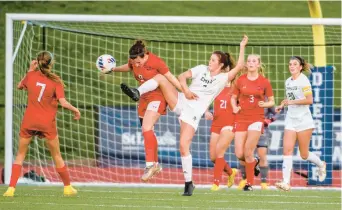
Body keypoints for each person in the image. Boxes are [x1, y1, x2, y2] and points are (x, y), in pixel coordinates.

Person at [120, 35, 248, 196]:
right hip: (181, 101)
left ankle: (189, 183)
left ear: (221, 64)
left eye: (213, 60)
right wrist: (186, 91)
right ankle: (137, 92)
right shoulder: (201, 69)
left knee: (183, 146)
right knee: (160, 77)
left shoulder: (223, 78)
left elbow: (240, 65)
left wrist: (242, 46)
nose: (210, 62)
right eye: (210, 59)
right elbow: (181, 77)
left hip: (193, 113)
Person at [102, 40, 181, 182]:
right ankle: (155, 164)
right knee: (148, 132)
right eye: (134, 62)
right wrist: (113, 69)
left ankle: (150, 165)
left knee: (146, 127)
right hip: (143, 98)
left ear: (144, 55)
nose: (136, 65)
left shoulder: (157, 62)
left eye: (139, 62)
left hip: (158, 97)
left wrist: (184, 91)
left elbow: (170, 77)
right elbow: (129, 67)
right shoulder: (133, 61)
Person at [3, 51, 81, 197]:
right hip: (46, 124)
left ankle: (11, 189)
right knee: (57, 155)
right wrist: (75, 110)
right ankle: (67, 187)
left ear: (37, 63)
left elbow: (19, 86)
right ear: (52, 63)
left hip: (29, 121)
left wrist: (30, 70)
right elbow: (63, 102)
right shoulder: (56, 81)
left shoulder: (31, 76)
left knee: (20, 155)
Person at [275, 56, 326, 191]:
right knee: (287, 150)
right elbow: (290, 98)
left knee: (304, 155)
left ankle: (321, 164)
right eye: (290, 64)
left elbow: (309, 100)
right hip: (290, 119)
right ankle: (286, 182)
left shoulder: (304, 81)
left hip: (303, 120)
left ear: (300, 67)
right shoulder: (288, 82)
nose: (291, 66)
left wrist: (291, 102)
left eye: (295, 64)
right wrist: (282, 104)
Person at [231, 54, 274, 191]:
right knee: (239, 153)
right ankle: (254, 162)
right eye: (248, 61)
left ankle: (249, 183)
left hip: (256, 118)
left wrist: (265, 104)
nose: (250, 63)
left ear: (258, 65)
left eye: (253, 61)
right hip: (241, 118)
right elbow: (233, 98)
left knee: (248, 151)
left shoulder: (264, 82)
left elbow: (272, 101)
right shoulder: (240, 80)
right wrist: (234, 107)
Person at [204, 80, 237, 191]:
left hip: (230, 123)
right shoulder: (217, 87)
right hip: (216, 123)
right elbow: (206, 99)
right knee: (213, 157)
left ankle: (216, 183)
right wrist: (206, 111)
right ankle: (231, 172)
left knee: (219, 152)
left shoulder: (237, 88)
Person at [237, 107, 277, 190]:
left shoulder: (265, 99)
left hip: (262, 131)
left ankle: (263, 182)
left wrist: (270, 120)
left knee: (262, 155)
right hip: (246, 129)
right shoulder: (243, 97)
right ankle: (245, 179)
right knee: (244, 155)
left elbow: (276, 112)